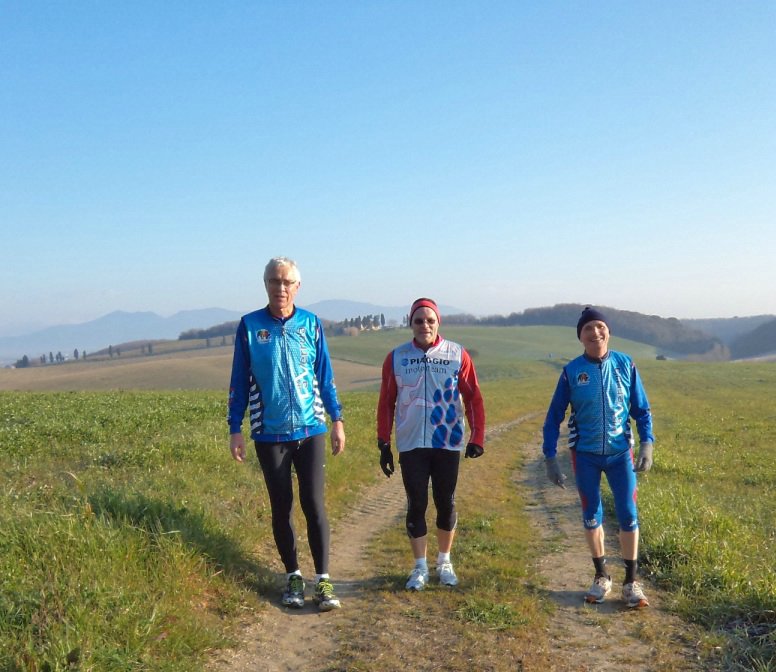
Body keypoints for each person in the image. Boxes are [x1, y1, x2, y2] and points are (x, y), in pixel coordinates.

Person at [227, 256, 345, 612]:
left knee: (314, 505)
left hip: (311, 428)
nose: (280, 288)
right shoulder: (250, 326)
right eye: (274, 281)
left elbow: (325, 374)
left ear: (297, 286)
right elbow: (238, 380)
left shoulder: (311, 324)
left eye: (286, 282)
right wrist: (235, 429)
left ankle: (322, 580)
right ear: (265, 284)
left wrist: (337, 419)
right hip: (269, 433)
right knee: (282, 507)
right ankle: (293, 576)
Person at [542, 306, 655, 608]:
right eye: (588, 329)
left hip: (620, 454)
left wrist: (647, 444)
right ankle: (601, 576)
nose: (595, 333)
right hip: (586, 456)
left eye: (600, 327)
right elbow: (554, 417)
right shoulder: (571, 372)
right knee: (591, 515)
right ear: (580, 337)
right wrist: (550, 457)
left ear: (608, 331)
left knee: (628, 513)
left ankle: (631, 583)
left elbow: (642, 410)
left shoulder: (625, 364)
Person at [376, 297, 486, 591]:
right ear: (410, 323)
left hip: (446, 440)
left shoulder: (457, 354)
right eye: (418, 320)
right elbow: (386, 402)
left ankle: (444, 561)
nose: (424, 325)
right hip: (411, 442)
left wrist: (477, 436)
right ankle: (420, 566)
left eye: (430, 320)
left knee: (445, 501)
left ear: (438, 323)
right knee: (416, 503)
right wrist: (383, 442)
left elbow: (473, 397)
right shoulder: (397, 357)